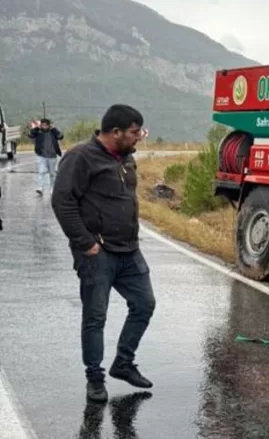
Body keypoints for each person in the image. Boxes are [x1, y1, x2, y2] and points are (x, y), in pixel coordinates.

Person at [51, 104, 155, 403]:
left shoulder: (126, 159)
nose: (139, 138)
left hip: (129, 251)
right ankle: (94, 378)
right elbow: (63, 202)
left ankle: (123, 363)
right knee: (96, 317)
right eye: (135, 133)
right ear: (115, 132)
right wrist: (85, 243)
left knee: (144, 304)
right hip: (97, 253)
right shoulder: (80, 157)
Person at [29, 118, 64, 196]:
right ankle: (39, 188)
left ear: (49, 125)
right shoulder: (38, 131)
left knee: (52, 173)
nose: (44, 126)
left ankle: (52, 188)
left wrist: (54, 128)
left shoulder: (53, 132)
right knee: (41, 171)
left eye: (46, 125)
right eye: (43, 125)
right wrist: (37, 127)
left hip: (52, 156)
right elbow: (30, 135)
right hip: (41, 155)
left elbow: (61, 136)